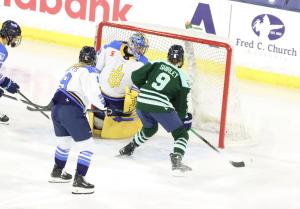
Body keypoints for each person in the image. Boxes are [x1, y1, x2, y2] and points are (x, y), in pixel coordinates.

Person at [118, 44, 193, 175]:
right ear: (181, 59)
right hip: (160, 106)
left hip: (142, 102)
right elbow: (180, 104)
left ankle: (130, 147)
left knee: (150, 128)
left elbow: (136, 76)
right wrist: (182, 119)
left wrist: (147, 90)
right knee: (181, 134)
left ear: (168, 56)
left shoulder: (157, 62)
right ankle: (176, 162)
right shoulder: (183, 77)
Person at [48, 46, 106, 194]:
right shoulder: (90, 71)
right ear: (93, 60)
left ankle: (57, 172)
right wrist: (104, 107)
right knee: (87, 147)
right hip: (71, 111)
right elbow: (94, 94)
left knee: (64, 143)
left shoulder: (71, 69)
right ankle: (79, 181)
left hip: (56, 108)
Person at [91, 32, 149, 138]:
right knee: (97, 121)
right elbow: (96, 70)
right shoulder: (112, 47)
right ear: (132, 44)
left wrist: (133, 97)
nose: (142, 50)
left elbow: (138, 87)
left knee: (101, 122)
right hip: (100, 95)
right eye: (140, 47)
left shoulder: (143, 64)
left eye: (142, 48)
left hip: (119, 102)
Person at [0, 20, 22, 124]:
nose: (15, 40)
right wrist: (6, 84)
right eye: (15, 36)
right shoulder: (2, 51)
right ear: (9, 35)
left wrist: (5, 82)